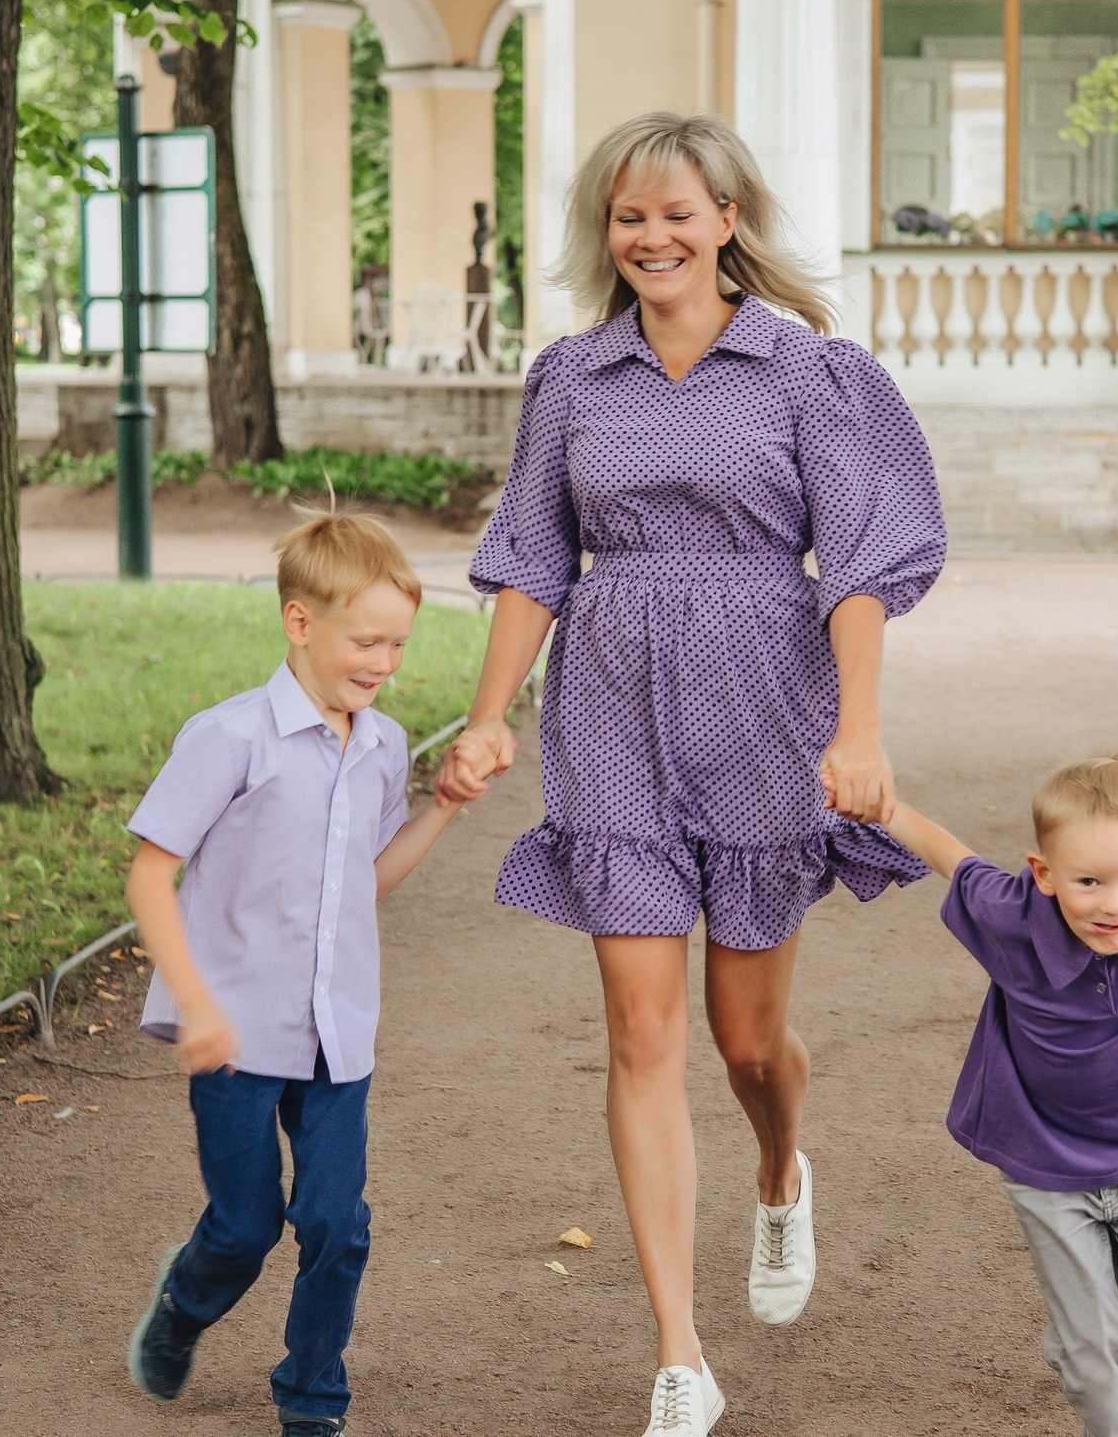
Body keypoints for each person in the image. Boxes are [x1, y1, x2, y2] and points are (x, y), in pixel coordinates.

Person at [435, 110, 946, 1437]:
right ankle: (680, 1351)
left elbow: (863, 562)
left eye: (675, 211)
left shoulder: (806, 371)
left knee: (744, 1036)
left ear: (729, 218)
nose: (650, 236)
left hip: (768, 702)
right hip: (611, 706)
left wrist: (863, 729)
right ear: (604, 233)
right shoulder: (571, 376)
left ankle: (781, 1170)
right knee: (641, 1033)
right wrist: (488, 716)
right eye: (626, 215)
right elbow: (533, 554)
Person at [121, 514, 471, 1437]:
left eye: (399, 643)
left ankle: (312, 1395)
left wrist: (440, 810)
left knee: (337, 1224)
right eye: (367, 640)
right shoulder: (230, 737)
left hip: (337, 1030)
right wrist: (193, 1005)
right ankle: (183, 1303)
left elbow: (364, 883)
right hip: (233, 1027)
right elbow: (149, 873)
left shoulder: (384, 745)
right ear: (299, 622)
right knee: (245, 1227)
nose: (384, 662)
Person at [882, 711, 1118, 1437]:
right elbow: (953, 856)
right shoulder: (1015, 918)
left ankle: (1106, 1306)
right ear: (1044, 873)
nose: (1113, 903)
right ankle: (1095, 1368)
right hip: (1047, 1166)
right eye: (1088, 881)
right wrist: (886, 807)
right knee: (1093, 1354)